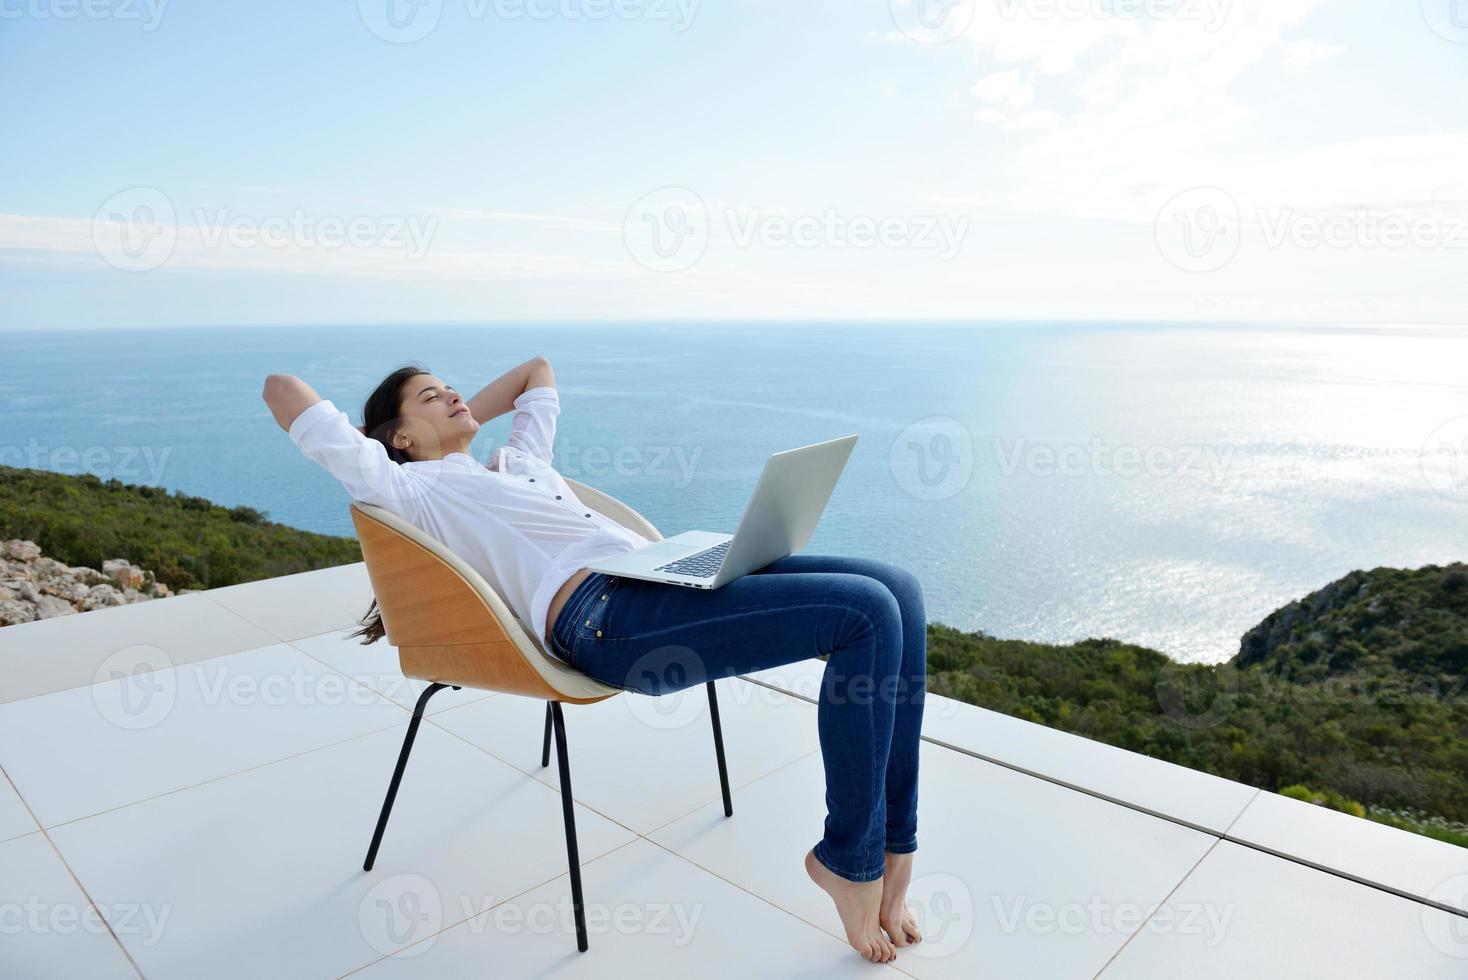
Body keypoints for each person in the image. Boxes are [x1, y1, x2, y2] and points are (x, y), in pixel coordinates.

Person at [262, 356, 926, 962]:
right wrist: (386, 441)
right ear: (398, 439)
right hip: (606, 623)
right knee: (863, 616)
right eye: (432, 397)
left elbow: (535, 373)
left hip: (653, 578)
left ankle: (894, 848)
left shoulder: (518, 465)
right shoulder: (410, 491)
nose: (455, 396)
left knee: (899, 590)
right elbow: (282, 390)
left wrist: (452, 417)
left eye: (452, 388)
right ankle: (850, 859)